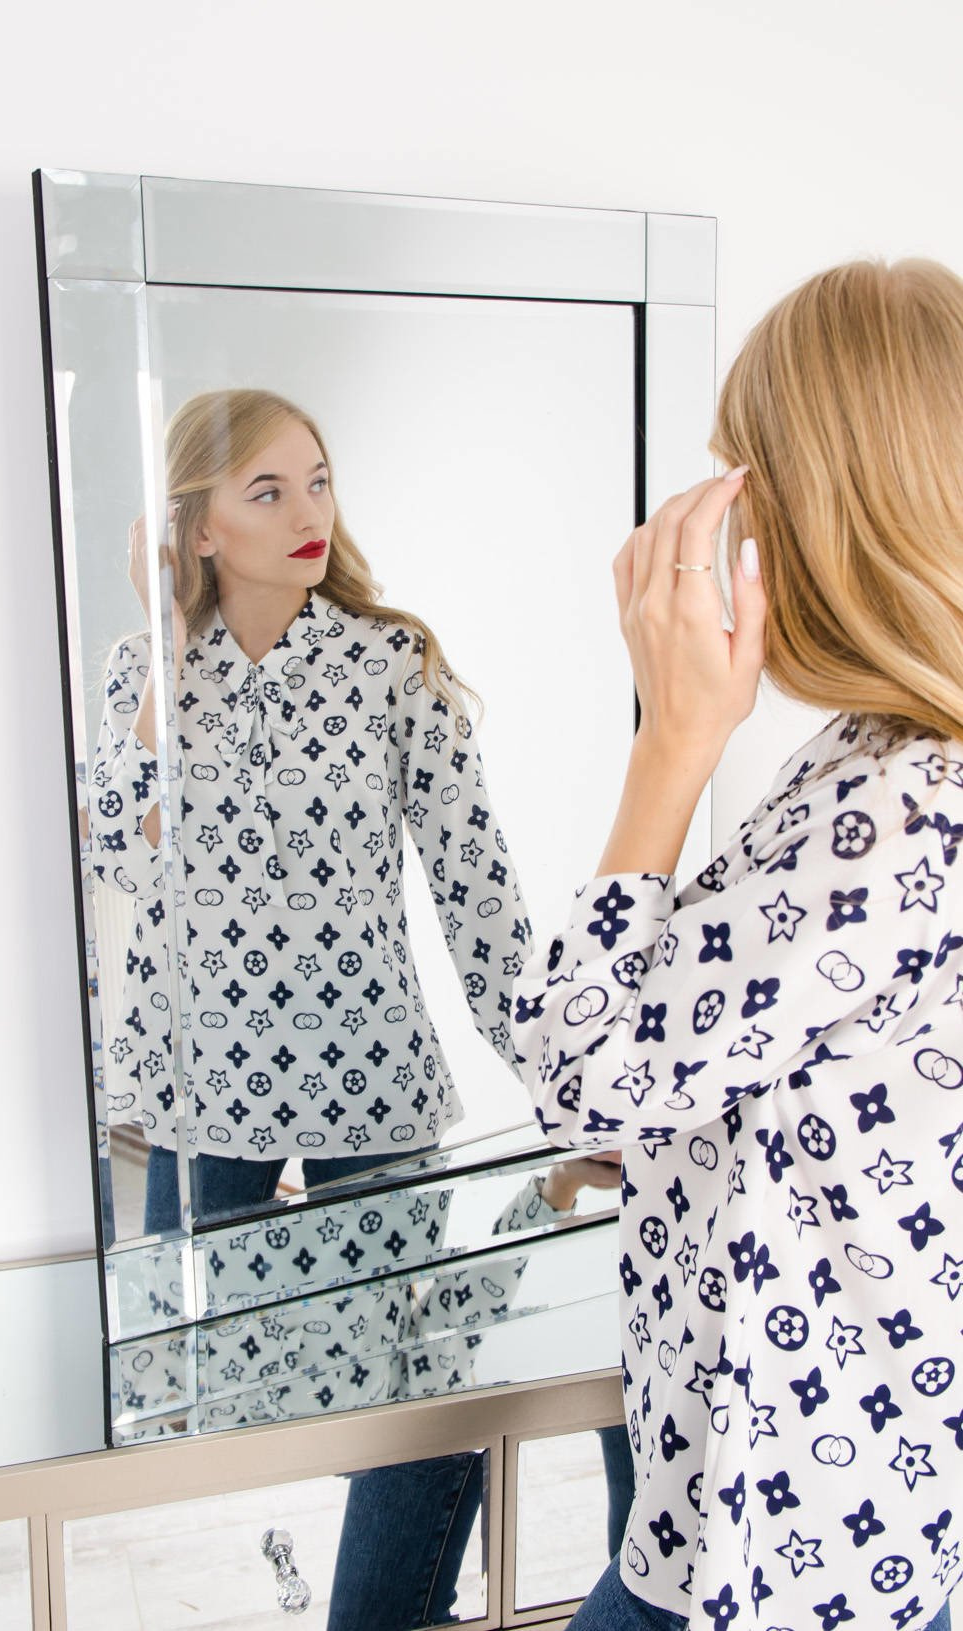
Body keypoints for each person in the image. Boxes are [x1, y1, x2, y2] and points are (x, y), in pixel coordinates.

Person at [512, 259, 961, 1631]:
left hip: (774, 1547)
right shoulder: (881, 763)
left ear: (820, 510)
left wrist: (674, 734)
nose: (718, 520)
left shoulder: (895, 807)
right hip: (828, 1510)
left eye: (738, 476)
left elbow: (582, 1075)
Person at [88, 387, 531, 1231]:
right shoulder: (140, 672)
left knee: (377, 1317)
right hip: (203, 1080)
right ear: (199, 530)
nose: (309, 513)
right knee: (188, 1318)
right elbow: (123, 859)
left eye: (318, 482)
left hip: (370, 1063)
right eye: (269, 491)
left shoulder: (394, 661)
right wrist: (168, 658)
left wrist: (556, 1071)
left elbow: (476, 885)